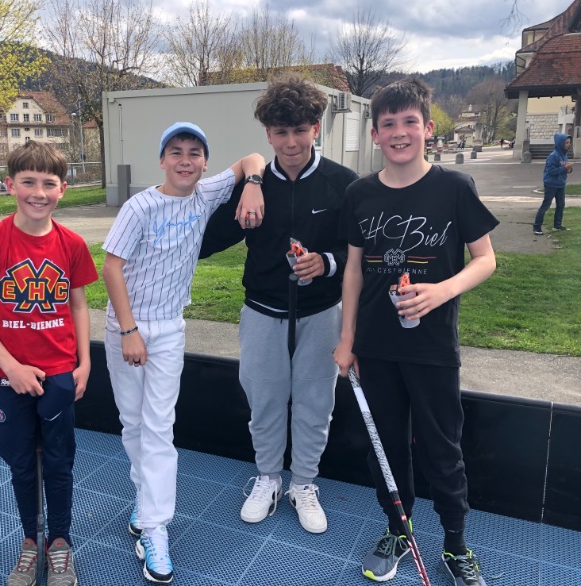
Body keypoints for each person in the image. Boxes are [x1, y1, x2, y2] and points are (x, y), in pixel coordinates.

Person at [333, 77, 498, 585]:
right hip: (375, 348)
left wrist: (441, 291)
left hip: (432, 348)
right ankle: (398, 531)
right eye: (388, 124)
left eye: (410, 122)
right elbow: (353, 270)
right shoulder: (359, 194)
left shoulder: (455, 187)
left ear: (428, 128)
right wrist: (347, 339)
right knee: (385, 447)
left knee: (442, 448)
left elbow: (486, 260)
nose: (399, 132)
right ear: (375, 135)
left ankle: (455, 544)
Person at [102, 122, 265, 584]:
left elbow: (252, 159)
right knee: (133, 424)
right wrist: (129, 331)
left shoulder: (206, 194)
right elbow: (111, 268)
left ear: (205, 163)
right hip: (126, 327)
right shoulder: (139, 207)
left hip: (169, 329)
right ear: (162, 160)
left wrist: (253, 184)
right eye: (176, 152)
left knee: (158, 428)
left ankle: (155, 526)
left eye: (195, 152)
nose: (185, 160)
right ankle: (146, 500)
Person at [200, 74, 358, 535]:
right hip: (262, 312)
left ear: (316, 128)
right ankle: (268, 478)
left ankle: (303, 483)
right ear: (268, 134)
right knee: (265, 403)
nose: (291, 142)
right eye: (281, 132)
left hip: (321, 313)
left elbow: (359, 252)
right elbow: (204, 240)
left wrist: (326, 262)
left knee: (315, 404)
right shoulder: (253, 185)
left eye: (301, 130)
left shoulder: (343, 184)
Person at [0, 141, 98, 586]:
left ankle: (59, 542)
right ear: (9, 185)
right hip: (7, 377)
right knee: (20, 463)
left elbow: (78, 305)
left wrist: (85, 362)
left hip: (59, 372)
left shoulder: (72, 244)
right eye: (28, 182)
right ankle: (29, 541)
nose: (39, 193)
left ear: (63, 189)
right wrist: (10, 366)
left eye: (49, 184)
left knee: (59, 463)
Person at [533, 133, 572, 236]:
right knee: (546, 205)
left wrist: (568, 169)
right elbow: (551, 171)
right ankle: (537, 226)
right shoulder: (553, 156)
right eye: (566, 143)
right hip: (551, 184)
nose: (569, 144)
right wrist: (564, 168)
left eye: (569, 142)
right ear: (560, 143)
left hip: (561, 184)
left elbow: (563, 168)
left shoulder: (564, 155)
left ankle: (557, 225)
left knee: (561, 205)